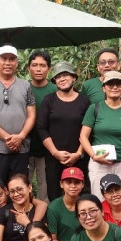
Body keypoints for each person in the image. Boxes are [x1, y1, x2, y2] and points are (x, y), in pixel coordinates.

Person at [0, 45, 36, 186]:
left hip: (21, 149)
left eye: (12, 59)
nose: (8, 63)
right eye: (4, 59)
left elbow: (32, 115)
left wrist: (20, 137)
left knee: (19, 190)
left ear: (17, 62)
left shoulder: (26, 86)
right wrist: (8, 138)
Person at [80, 70, 121, 201]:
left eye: (118, 84)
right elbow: (83, 137)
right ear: (103, 88)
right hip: (99, 163)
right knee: (99, 201)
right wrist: (94, 156)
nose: (114, 87)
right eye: (110, 84)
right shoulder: (94, 108)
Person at [38, 61, 91, 200]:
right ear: (55, 81)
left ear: (73, 77)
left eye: (65, 75)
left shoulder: (84, 101)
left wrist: (78, 154)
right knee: (54, 195)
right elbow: (41, 128)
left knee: (81, 197)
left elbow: (88, 130)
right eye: (58, 76)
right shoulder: (49, 100)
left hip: (79, 158)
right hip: (54, 159)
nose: (62, 79)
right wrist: (55, 153)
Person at [27, 50, 57, 202]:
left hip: (48, 148)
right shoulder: (23, 89)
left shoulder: (55, 90)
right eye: (34, 65)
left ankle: (44, 215)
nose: (38, 69)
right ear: (28, 68)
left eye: (42, 65)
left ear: (48, 69)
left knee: (45, 187)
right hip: (25, 146)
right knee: (23, 186)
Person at [46, 167, 85, 241]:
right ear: (61, 184)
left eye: (77, 182)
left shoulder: (87, 204)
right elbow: (53, 240)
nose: (73, 186)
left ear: (82, 184)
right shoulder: (53, 207)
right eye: (68, 182)